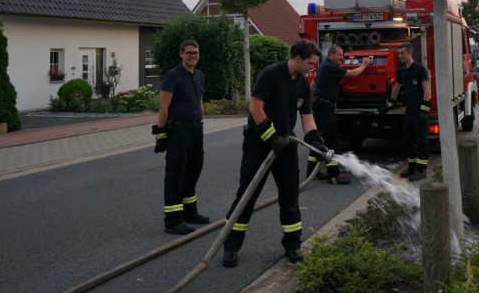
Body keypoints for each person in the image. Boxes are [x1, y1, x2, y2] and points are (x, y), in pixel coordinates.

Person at [222, 39, 329, 268]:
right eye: (311, 63)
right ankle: (230, 246)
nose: (313, 67)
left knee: (290, 196)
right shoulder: (270, 74)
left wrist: (316, 143)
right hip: (259, 143)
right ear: (298, 58)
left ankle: (292, 246)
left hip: (286, 144)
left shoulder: (302, 84)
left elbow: (307, 118)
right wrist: (271, 137)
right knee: (246, 196)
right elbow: (255, 107)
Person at [152, 39, 210, 235]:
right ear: (181, 54)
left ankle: (189, 212)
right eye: (189, 53)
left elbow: (199, 101)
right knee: (176, 175)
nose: (193, 55)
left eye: (196, 52)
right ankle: (173, 220)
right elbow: (164, 106)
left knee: (193, 172)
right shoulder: (173, 76)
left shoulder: (199, 76)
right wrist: (161, 134)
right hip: (178, 131)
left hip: (195, 129)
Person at [306, 45, 371, 184]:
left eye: (342, 55)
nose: (342, 57)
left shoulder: (324, 66)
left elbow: (313, 84)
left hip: (319, 104)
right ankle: (334, 174)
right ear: (331, 55)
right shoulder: (331, 67)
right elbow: (353, 74)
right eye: (339, 55)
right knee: (330, 139)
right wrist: (365, 64)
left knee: (319, 138)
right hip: (325, 106)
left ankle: (313, 171)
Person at [384, 42, 431, 182]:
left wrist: (425, 109)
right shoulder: (402, 71)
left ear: (409, 53)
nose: (400, 56)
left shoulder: (420, 69)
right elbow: (396, 87)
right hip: (409, 112)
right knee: (408, 140)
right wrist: (390, 103)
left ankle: (421, 170)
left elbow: (427, 89)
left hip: (418, 112)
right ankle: (411, 167)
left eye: (402, 53)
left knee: (421, 141)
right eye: (399, 54)